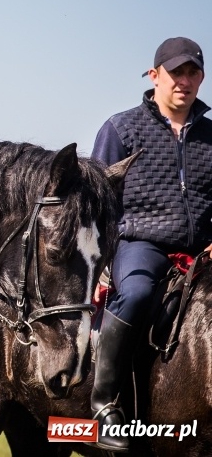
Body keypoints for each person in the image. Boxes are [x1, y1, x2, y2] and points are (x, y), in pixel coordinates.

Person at [90, 36, 208, 452]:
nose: (184, 81)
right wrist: (102, 261)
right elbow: (96, 203)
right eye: (176, 72)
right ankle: (105, 405)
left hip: (205, 249)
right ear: (155, 76)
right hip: (141, 242)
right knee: (138, 293)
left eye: (193, 72)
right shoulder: (121, 129)